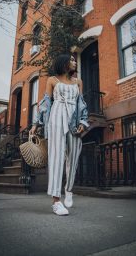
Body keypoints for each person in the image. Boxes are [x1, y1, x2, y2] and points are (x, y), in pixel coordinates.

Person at [30, 54, 89, 216]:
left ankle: (68, 189)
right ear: (63, 63)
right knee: (56, 159)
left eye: (75, 60)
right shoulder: (52, 80)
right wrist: (36, 124)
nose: (74, 62)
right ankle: (56, 201)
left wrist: (83, 123)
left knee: (74, 156)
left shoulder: (78, 82)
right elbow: (45, 104)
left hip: (74, 120)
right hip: (56, 119)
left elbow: (81, 104)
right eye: (71, 60)